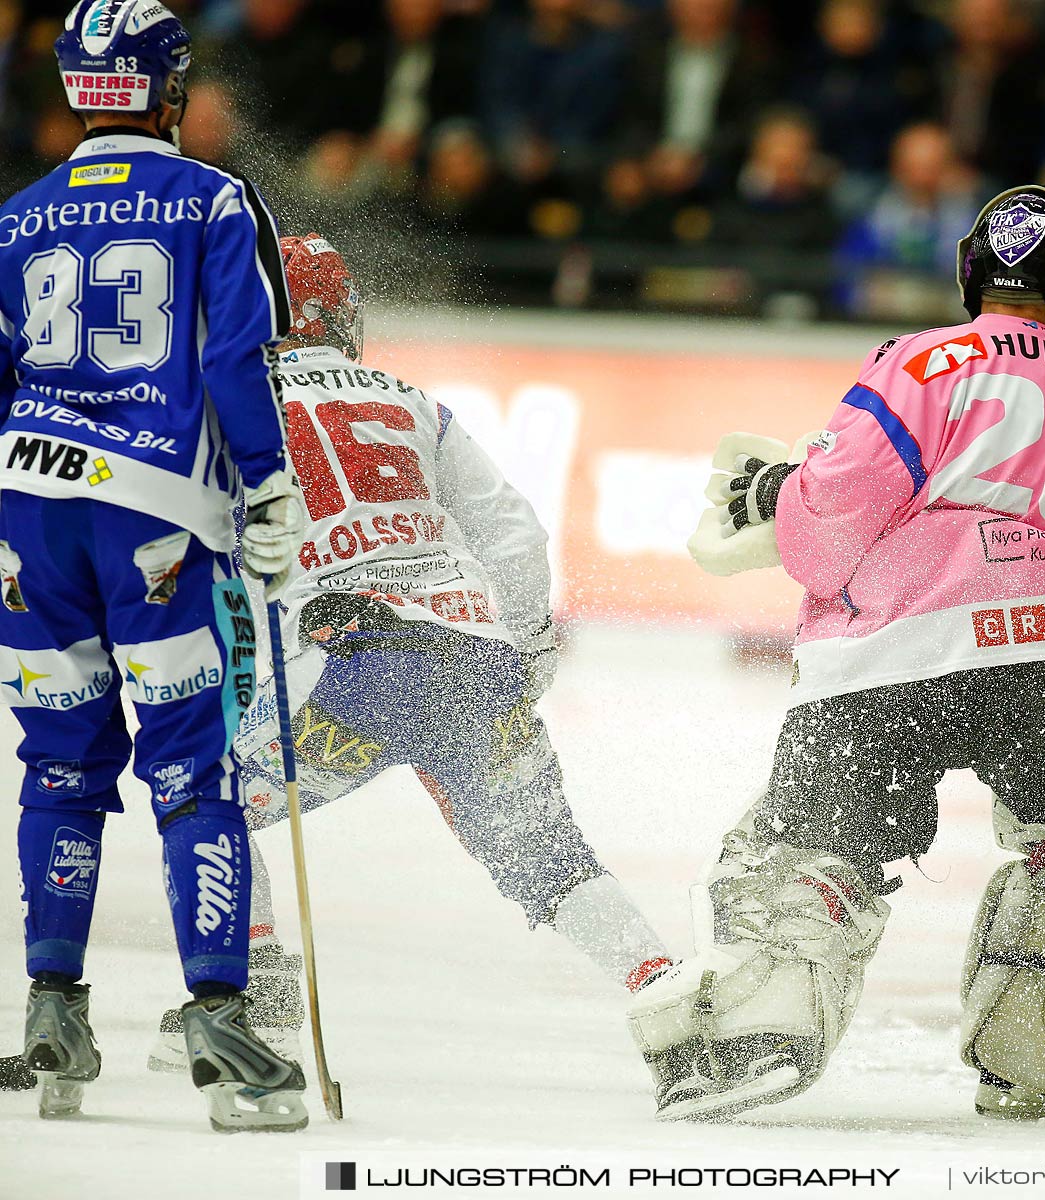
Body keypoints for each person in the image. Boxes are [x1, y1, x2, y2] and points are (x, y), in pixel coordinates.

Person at [631, 184, 1045, 1121]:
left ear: (972, 267)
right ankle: (1040, 1044)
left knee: (810, 851)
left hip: (894, 658)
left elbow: (832, 517)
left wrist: (784, 498)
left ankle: (757, 1032)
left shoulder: (922, 360)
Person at [136, 233, 675, 1071]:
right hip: (471, 656)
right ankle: (668, 993)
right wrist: (524, 652)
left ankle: (253, 996)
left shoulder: (206, 404)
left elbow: (171, 549)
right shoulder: (411, 399)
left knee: (200, 797)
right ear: (340, 314)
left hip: (343, 668)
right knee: (551, 863)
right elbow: (513, 531)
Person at [0, 0, 308, 1130]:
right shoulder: (214, 199)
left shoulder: (14, 219)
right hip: (158, 521)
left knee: (61, 766)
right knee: (191, 772)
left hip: (26, 518)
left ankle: (52, 1008)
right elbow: (235, 356)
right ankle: (221, 1018)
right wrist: (269, 485)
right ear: (167, 87)